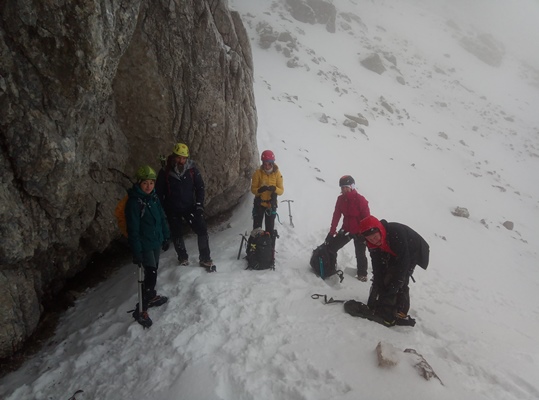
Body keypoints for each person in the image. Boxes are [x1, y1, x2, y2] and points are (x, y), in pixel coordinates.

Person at [359, 215, 430, 326]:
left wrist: (396, 283)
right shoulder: (372, 243)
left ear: (380, 230)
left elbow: (404, 261)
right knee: (384, 275)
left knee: (401, 279)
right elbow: (376, 263)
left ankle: (401, 311)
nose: (374, 240)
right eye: (370, 239)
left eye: (375, 237)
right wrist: (378, 281)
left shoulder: (396, 233)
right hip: (393, 249)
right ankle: (383, 304)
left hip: (413, 250)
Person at [155, 143, 213, 268]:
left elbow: (200, 187)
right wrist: (162, 210)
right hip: (172, 208)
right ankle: (182, 257)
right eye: (179, 158)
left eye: (184, 158)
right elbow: (159, 193)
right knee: (177, 233)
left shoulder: (192, 170)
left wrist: (199, 205)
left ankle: (205, 258)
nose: (181, 161)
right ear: (174, 157)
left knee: (202, 229)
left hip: (189, 206)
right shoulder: (165, 172)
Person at [126, 165, 170, 323]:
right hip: (144, 244)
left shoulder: (154, 198)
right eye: (145, 183)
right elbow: (133, 229)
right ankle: (141, 309)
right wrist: (137, 251)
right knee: (151, 273)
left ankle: (150, 296)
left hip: (155, 241)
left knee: (153, 270)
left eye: (151, 183)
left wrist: (166, 236)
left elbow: (162, 218)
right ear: (139, 183)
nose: (148, 186)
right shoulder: (134, 203)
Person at [325, 175, 370, 281]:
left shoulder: (360, 200)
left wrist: (364, 233)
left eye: (346, 187)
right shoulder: (340, 199)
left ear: (352, 186)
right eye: (342, 187)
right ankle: (331, 268)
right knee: (332, 247)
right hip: (346, 229)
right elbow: (336, 215)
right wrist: (332, 231)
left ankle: (362, 274)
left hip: (359, 231)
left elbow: (367, 218)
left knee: (360, 253)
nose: (344, 189)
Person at [250, 149, 284, 252]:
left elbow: (281, 190)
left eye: (269, 164)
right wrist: (259, 190)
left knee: (270, 229)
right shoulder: (258, 173)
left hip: (271, 205)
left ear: (272, 163)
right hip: (259, 204)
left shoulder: (277, 174)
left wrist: (275, 189)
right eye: (265, 163)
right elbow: (253, 189)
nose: (267, 166)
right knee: (257, 229)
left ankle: (269, 251)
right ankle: (254, 250)